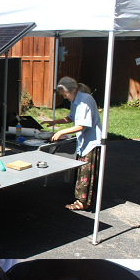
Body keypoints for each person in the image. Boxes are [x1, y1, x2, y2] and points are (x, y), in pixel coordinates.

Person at [43, 76, 102, 211]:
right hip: (84, 142)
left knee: (87, 172)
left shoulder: (85, 100)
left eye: (65, 94)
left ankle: (83, 202)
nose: (65, 97)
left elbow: (82, 125)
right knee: (81, 170)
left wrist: (61, 132)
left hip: (91, 142)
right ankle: (80, 199)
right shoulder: (75, 100)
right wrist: (54, 122)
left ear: (73, 90)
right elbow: (71, 117)